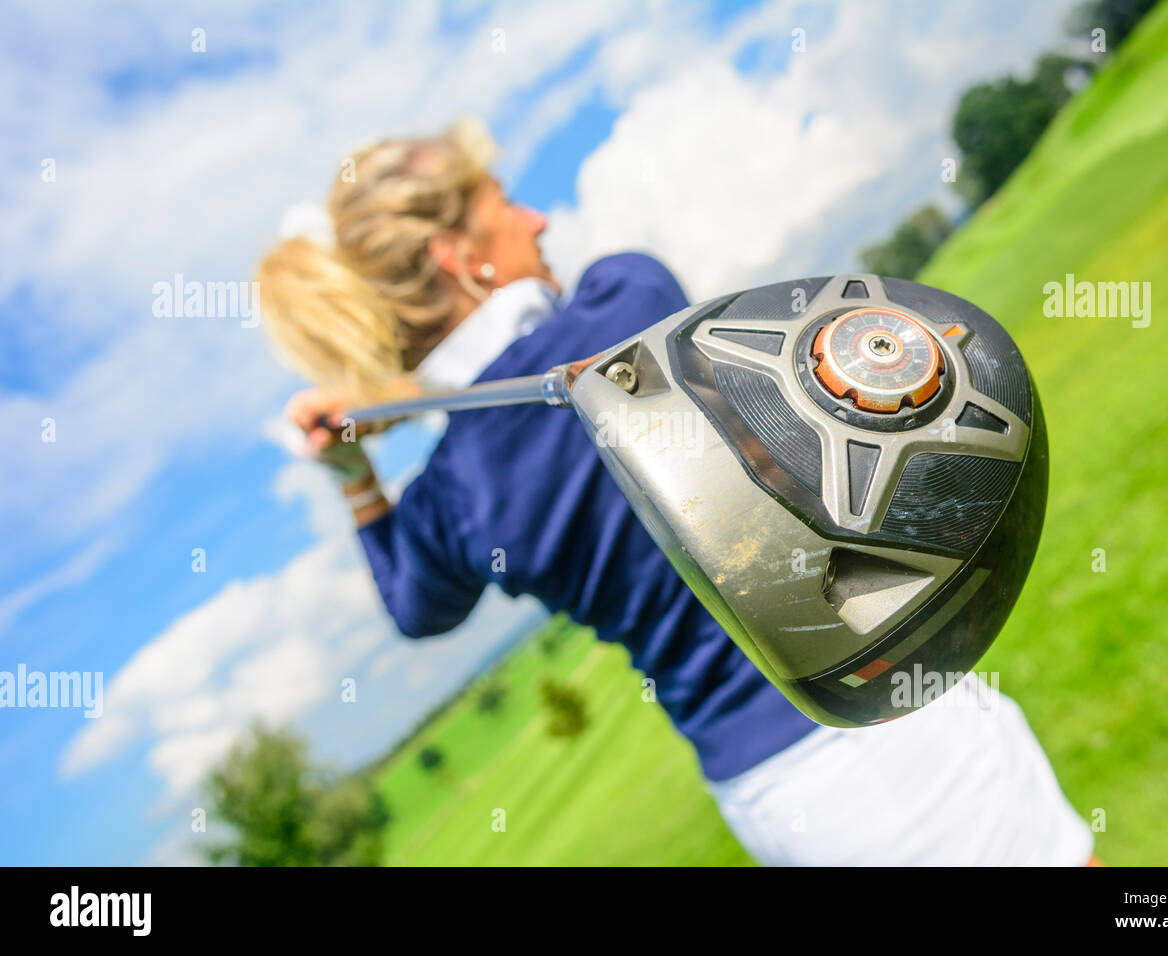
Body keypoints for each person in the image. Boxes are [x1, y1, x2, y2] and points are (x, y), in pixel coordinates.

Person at [258, 119, 1095, 866]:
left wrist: (357, 477)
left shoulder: (451, 498)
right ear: (457, 256)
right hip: (890, 735)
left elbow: (417, 606)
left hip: (766, 790)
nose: (537, 221)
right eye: (504, 203)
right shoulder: (626, 297)